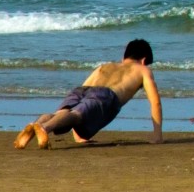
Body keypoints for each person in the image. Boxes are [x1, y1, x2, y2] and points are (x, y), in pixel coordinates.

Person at [13, 38, 163, 148]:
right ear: (144, 60)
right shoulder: (143, 70)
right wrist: (157, 136)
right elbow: (155, 101)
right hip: (105, 96)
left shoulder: (105, 66)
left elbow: (82, 95)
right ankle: (45, 129)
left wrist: (79, 136)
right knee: (76, 115)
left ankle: (36, 125)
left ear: (124, 57)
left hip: (82, 90)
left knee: (61, 113)